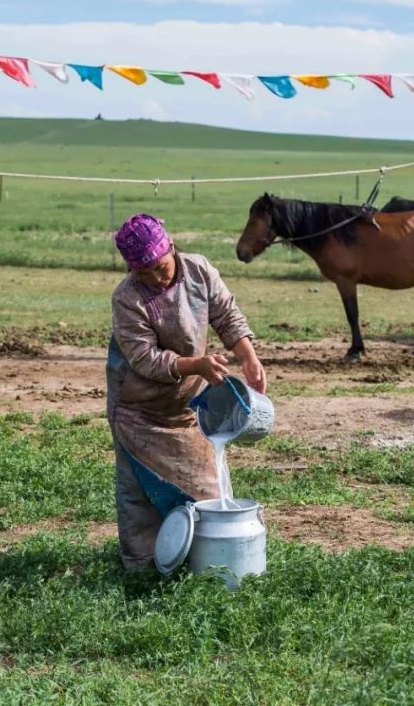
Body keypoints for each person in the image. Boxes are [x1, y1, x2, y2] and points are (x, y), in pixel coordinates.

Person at [106, 213, 266, 569]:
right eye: (141, 272)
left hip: (187, 407)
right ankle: (144, 569)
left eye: (159, 267)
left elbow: (227, 315)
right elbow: (144, 358)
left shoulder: (199, 270)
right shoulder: (127, 298)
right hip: (139, 410)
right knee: (141, 494)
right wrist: (197, 366)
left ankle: (204, 564)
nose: (153, 277)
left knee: (206, 492)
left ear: (172, 248)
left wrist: (249, 358)